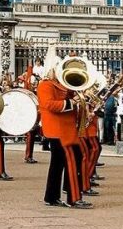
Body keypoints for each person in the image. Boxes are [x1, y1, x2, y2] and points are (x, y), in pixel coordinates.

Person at [38, 47, 89, 210]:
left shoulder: (63, 86)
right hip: (58, 130)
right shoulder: (46, 85)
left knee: (57, 164)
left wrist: (80, 100)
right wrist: (70, 103)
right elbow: (49, 105)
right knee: (70, 162)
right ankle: (73, 198)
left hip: (65, 129)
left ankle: (52, 196)